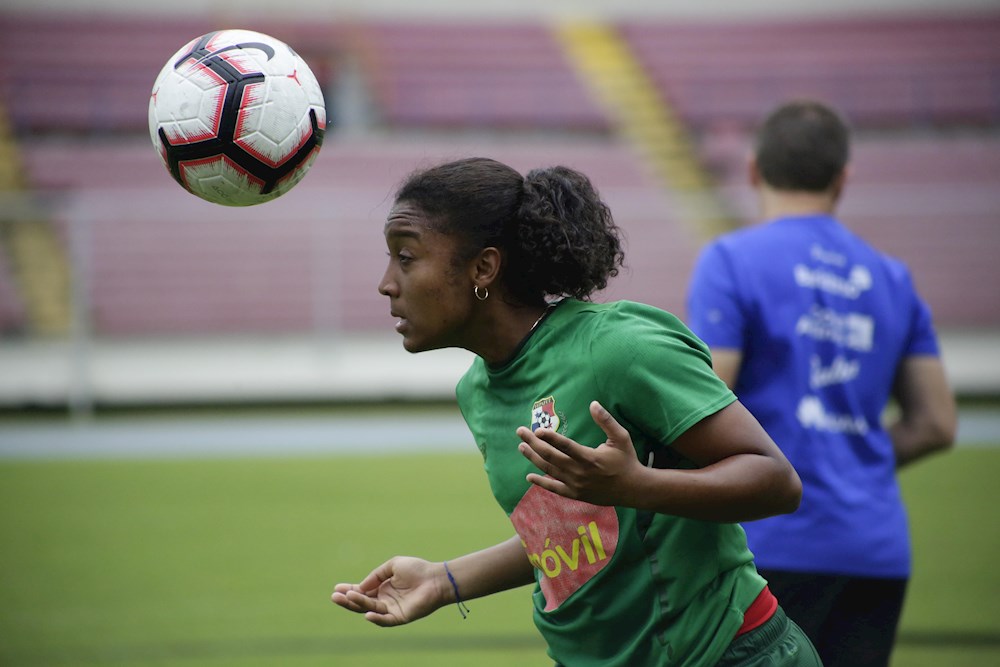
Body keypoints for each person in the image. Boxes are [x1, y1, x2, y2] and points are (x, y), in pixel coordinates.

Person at [332, 157, 822, 666]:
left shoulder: (617, 346)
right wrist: (445, 580)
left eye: (406, 258)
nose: (387, 283)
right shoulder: (476, 391)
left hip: (724, 654)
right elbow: (574, 532)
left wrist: (636, 485)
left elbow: (776, 481)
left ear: (483, 268)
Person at [685, 99, 957, 667]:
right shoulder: (891, 276)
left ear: (755, 169)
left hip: (770, 544)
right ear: (843, 179)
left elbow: (703, 405)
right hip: (874, 548)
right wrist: (850, 456)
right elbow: (936, 424)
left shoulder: (731, 261)